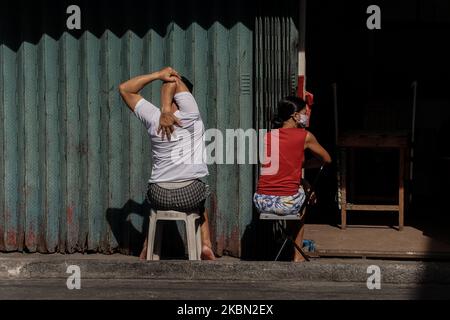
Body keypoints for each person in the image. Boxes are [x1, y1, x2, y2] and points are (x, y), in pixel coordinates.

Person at [119, 67, 215, 260]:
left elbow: (125, 89)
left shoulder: (153, 117)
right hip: (190, 193)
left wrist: (157, 75)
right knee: (202, 197)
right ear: (187, 96)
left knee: (152, 205)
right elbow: (174, 80)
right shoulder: (191, 114)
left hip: (159, 194)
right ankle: (205, 245)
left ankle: (149, 245)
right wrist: (169, 81)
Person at [254, 96, 332, 262]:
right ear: (295, 116)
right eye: (304, 113)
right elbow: (327, 159)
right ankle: (297, 255)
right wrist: (304, 171)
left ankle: (288, 246)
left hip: (261, 201)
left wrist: (299, 170)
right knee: (301, 203)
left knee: (296, 191)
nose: (306, 115)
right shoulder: (304, 136)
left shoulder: (267, 136)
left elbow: (279, 168)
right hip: (287, 204)